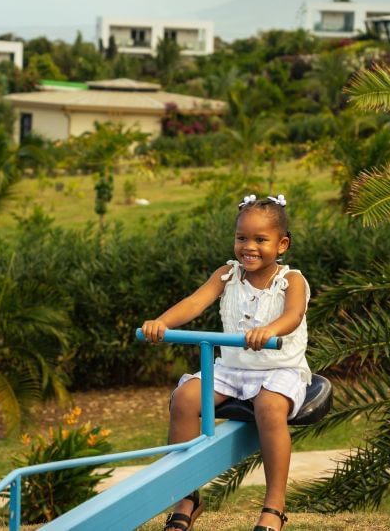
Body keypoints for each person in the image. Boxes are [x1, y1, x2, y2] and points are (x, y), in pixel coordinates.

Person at [141, 194, 310, 531]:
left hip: (279, 368)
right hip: (232, 369)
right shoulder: (227, 275)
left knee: (270, 407)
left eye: (260, 239)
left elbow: (293, 315)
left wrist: (270, 330)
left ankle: (274, 505)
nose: (249, 247)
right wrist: (162, 323)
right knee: (184, 398)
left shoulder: (290, 281)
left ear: (282, 244)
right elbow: (194, 303)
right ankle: (187, 496)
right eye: (241, 238)